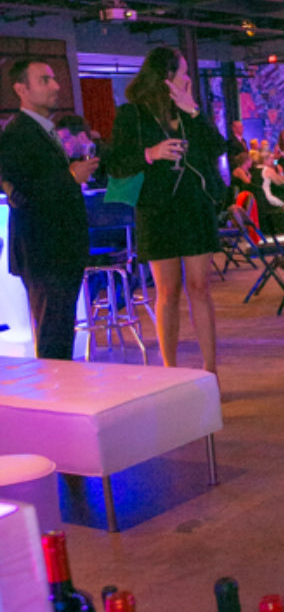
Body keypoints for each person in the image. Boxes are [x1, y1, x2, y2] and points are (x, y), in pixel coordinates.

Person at [105, 47, 226, 374]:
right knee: (168, 291)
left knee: (200, 287)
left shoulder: (190, 111)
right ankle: (169, 369)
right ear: (166, 77)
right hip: (157, 209)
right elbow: (115, 163)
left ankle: (210, 369)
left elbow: (218, 147)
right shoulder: (133, 114)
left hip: (195, 205)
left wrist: (193, 111)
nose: (188, 78)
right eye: (183, 72)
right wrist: (150, 153)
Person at [0, 59, 97, 358]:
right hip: (44, 250)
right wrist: (70, 177)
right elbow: (22, 193)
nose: (56, 86)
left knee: (60, 331)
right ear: (21, 89)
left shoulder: (43, 130)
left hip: (59, 249)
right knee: (53, 335)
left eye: (54, 79)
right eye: (45, 80)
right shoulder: (18, 133)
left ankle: (62, 383)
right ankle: (56, 385)